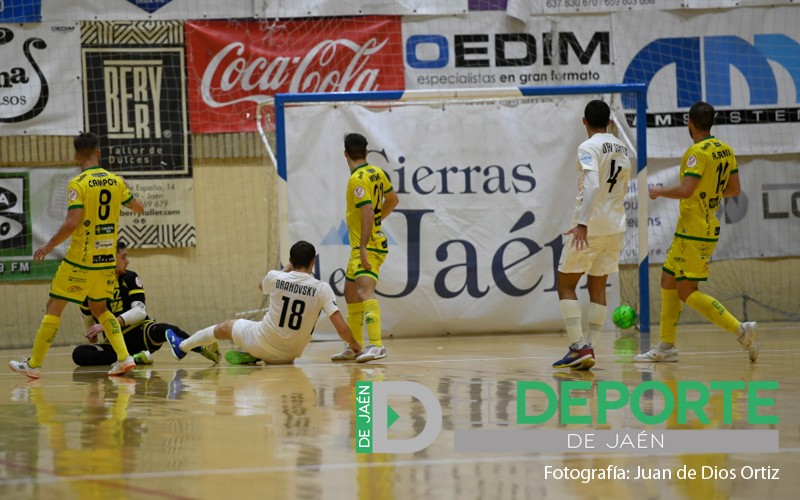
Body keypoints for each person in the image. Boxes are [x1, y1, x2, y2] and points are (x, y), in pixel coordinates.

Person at [9, 132, 144, 379]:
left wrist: (49, 245)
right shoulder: (115, 181)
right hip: (105, 261)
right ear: (99, 153)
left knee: (54, 307)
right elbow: (139, 207)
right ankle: (124, 358)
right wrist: (125, 185)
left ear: (76, 156)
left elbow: (72, 223)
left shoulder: (78, 184)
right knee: (100, 308)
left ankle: (34, 365)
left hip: (80, 261)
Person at [635, 101, 758, 363]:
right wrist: (710, 193)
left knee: (687, 291)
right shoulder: (725, 150)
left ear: (689, 123)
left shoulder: (696, 153)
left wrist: (659, 191)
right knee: (667, 281)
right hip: (694, 228)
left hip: (695, 230)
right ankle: (666, 347)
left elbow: (687, 190)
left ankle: (740, 329)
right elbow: (734, 189)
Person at [165, 240, 362, 365]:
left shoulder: (275, 277)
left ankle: (182, 347)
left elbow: (261, 286)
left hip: (262, 340)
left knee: (225, 327)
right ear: (313, 262)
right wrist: (356, 347)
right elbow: (342, 329)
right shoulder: (322, 288)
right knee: (264, 331)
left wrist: (286, 269)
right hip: (290, 355)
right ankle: (255, 354)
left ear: (291, 261)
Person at [553, 100, 632, 370]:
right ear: (609, 122)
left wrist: (583, 223)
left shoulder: (588, 146)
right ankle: (591, 348)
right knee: (598, 286)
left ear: (584, 122)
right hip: (616, 226)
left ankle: (578, 347)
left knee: (565, 284)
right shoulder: (622, 147)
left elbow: (593, 183)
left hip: (593, 226)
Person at [72, 242, 220, 367]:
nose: (127, 261)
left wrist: (108, 324)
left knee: (165, 330)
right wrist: (93, 344)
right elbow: (88, 321)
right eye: (123, 257)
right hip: (115, 343)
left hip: (140, 332)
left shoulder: (130, 278)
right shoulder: (90, 287)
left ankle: (201, 348)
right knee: (79, 354)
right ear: (110, 259)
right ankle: (135, 359)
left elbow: (139, 312)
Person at [330, 133, 399, 363]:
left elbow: (368, 211)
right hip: (364, 244)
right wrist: (379, 221)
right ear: (366, 152)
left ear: (345, 154)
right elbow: (392, 200)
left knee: (364, 292)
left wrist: (362, 245)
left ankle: (377, 345)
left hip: (367, 246)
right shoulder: (377, 172)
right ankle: (355, 346)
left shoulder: (357, 179)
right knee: (350, 293)